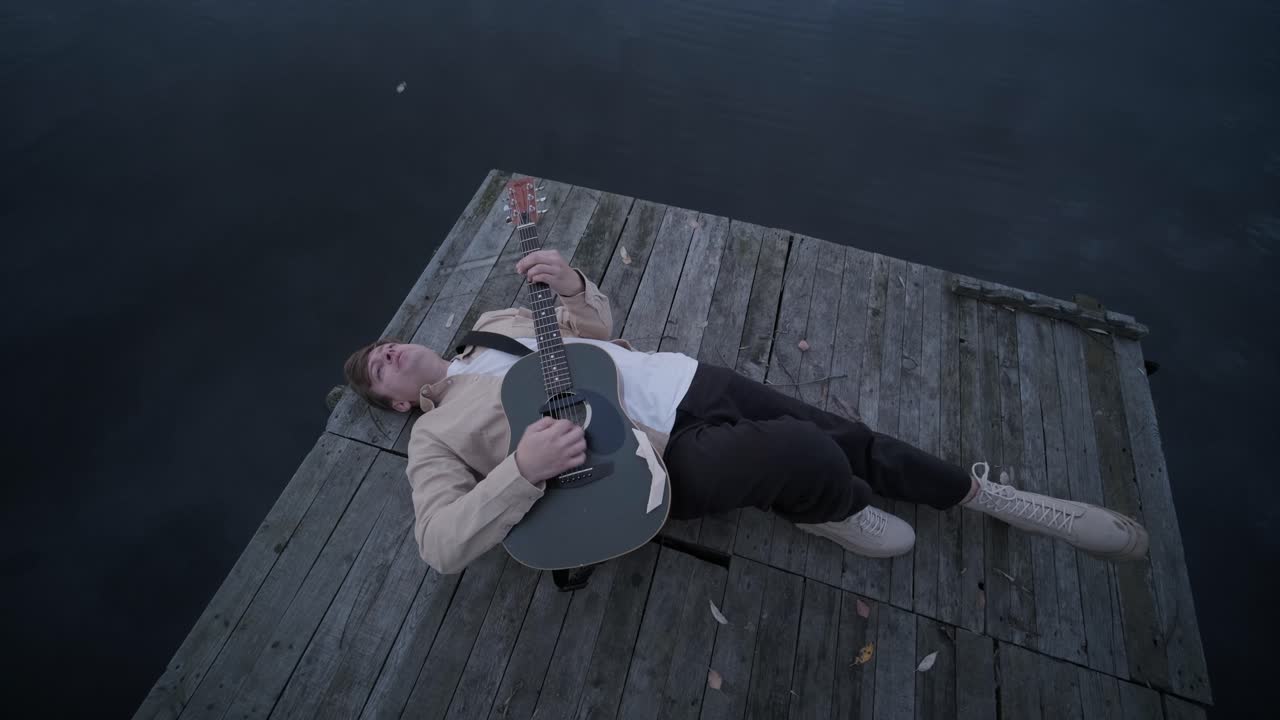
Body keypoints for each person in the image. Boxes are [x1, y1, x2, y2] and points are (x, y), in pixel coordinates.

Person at [343, 249, 1148, 575]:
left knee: (848, 435)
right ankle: (830, 510)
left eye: (381, 344)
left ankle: (987, 498)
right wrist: (520, 472)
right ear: (401, 402)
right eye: (377, 372)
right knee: (802, 452)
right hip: (640, 469)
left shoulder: (496, 320)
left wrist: (574, 283)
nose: (385, 352)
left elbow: (594, 331)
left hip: (684, 382)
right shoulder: (434, 440)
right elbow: (441, 545)